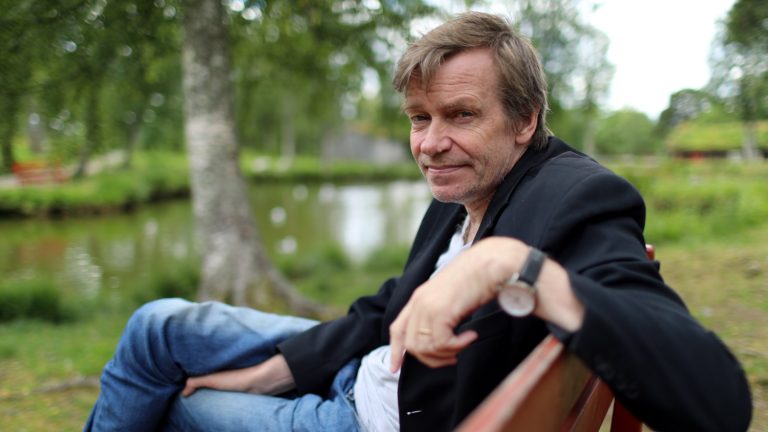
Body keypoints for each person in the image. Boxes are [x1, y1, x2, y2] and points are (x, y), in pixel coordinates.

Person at [85, 11, 752, 432]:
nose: (430, 144)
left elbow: (718, 400)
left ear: (524, 120)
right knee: (156, 327)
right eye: (418, 118)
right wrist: (272, 373)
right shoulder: (468, 184)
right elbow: (391, 305)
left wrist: (508, 265)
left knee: (177, 407)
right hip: (365, 367)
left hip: (371, 415)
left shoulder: (578, 200)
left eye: (460, 115)